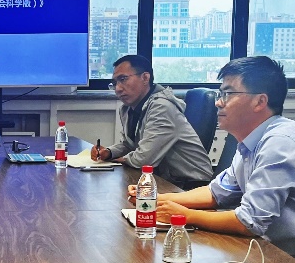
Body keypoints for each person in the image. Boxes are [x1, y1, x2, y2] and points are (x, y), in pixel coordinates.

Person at [139, 56, 295, 262]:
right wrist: (159, 200)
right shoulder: (251, 142)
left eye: (228, 94)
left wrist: (184, 215)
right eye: (220, 94)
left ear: (260, 101)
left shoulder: (280, 143)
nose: (218, 103)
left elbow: (249, 222)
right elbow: (216, 193)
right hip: (277, 250)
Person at [89, 55, 212, 190]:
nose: (118, 88)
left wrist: (117, 161)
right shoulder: (128, 109)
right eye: (114, 83)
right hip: (162, 178)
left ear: (145, 78)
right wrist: (109, 152)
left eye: (123, 79)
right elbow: (130, 145)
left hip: (189, 185)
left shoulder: (162, 107)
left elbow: (144, 160)